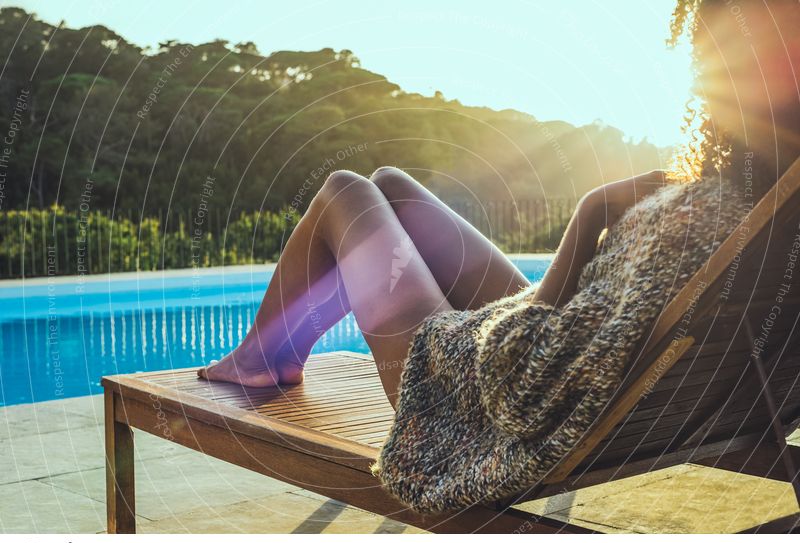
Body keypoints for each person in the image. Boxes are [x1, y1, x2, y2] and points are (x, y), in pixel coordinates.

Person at [199, 0, 799, 411]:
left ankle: (261, 357)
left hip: (476, 396)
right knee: (393, 186)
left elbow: (523, 374)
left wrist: (591, 214)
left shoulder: (699, 213)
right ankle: (270, 352)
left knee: (347, 190)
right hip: (549, 355)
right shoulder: (762, 205)